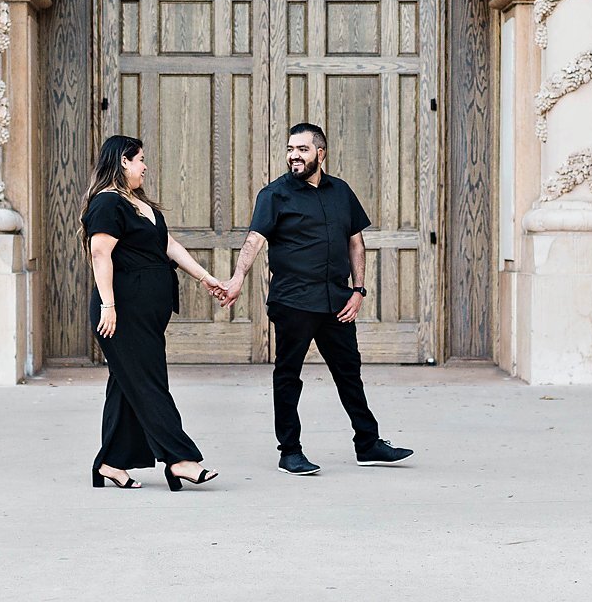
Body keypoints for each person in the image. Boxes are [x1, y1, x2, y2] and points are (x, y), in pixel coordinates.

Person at [220, 122, 414, 475]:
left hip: (337, 301)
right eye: (291, 149)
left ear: (320, 154)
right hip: (294, 301)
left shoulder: (341, 192)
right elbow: (254, 240)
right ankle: (289, 451)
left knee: (349, 373)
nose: (294, 155)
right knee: (288, 375)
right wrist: (237, 279)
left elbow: (355, 242)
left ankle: (367, 444)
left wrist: (359, 291)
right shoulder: (274, 195)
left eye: (303, 149)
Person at [82, 134, 225, 491]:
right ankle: (180, 459)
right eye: (140, 159)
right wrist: (108, 304)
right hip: (122, 311)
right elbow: (100, 254)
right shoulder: (107, 204)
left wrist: (206, 278)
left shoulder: (138, 204)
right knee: (149, 382)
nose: (145, 166)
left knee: (127, 383)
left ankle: (111, 464)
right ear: (123, 162)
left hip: (147, 312)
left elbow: (169, 245)